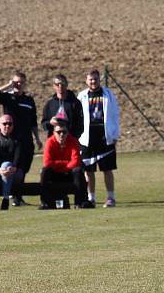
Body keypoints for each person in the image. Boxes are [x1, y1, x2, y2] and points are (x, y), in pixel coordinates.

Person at [0, 71, 42, 205]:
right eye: (16, 82)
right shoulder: (7, 97)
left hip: (26, 140)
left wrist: (37, 138)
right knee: (12, 167)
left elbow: (33, 121)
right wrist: (8, 85)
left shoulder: (29, 100)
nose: (18, 84)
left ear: (25, 83)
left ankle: (17, 196)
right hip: (12, 140)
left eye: (21, 82)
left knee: (23, 169)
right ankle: (12, 195)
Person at [77, 69, 120, 208]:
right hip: (87, 139)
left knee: (107, 169)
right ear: (86, 81)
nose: (93, 82)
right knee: (88, 171)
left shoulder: (108, 95)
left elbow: (115, 115)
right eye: (90, 79)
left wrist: (114, 135)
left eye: (95, 79)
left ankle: (111, 197)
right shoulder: (82, 96)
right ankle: (91, 198)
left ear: (99, 80)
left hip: (104, 138)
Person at [40, 120, 89, 209]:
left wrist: (58, 165)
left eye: (64, 132)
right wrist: (65, 164)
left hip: (69, 174)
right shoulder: (49, 142)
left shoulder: (73, 141)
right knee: (45, 171)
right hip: (55, 174)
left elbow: (76, 162)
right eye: (59, 132)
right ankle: (45, 202)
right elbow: (47, 162)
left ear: (67, 133)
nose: (61, 134)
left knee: (78, 171)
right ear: (54, 133)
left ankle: (79, 202)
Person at [41, 73, 83, 139]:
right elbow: (44, 124)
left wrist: (74, 137)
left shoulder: (75, 103)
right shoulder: (50, 104)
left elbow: (81, 124)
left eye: (62, 84)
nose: (60, 86)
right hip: (54, 141)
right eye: (57, 84)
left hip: (71, 141)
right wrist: (50, 122)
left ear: (66, 84)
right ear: (54, 86)